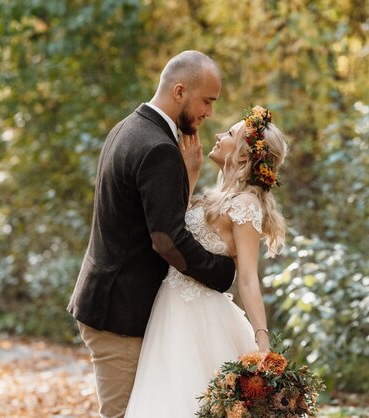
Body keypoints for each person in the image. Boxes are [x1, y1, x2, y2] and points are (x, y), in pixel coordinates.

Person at [67, 51, 236, 418]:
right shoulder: (159, 148)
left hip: (113, 302)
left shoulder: (128, 127)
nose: (209, 113)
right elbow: (167, 240)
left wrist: (186, 181)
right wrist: (222, 273)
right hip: (121, 313)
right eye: (207, 101)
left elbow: (146, 220)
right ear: (180, 91)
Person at [124, 105, 289, 417]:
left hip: (198, 316)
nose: (218, 135)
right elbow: (175, 232)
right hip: (170, 308)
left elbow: (248, 278)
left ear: (243, 155)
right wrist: (190, 175)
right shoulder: (215, 195)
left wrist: (263, 343)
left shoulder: (245, 205)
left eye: (229, 134)